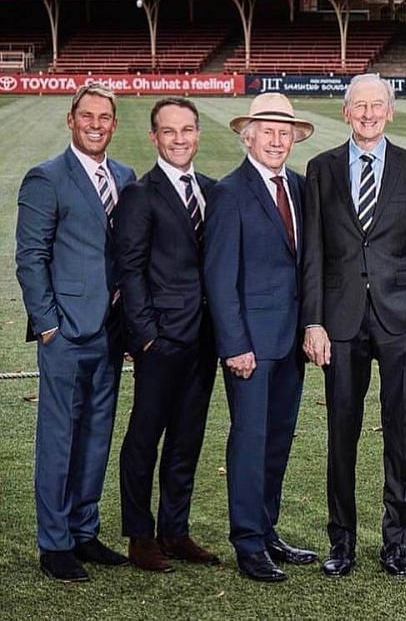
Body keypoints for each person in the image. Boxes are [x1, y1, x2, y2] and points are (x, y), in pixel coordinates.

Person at [302, 73, 406, 578]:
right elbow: (313, 257)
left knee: (403, 434)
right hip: (341, 323)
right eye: (359, 106)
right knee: (341, 435)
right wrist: (314, 322)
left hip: (400, 322)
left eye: (377, 105)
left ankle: (397, 540)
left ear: (390, 112)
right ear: (346, 112)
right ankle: (341, 543)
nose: (368, 114)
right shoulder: (321, 170)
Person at [15, 83, 135, 582]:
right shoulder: (46, 178)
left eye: (104, 117)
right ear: (71, 120)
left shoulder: (125, 177)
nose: (95, 124)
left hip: (111, 332)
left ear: (113, 123)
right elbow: (31, 257)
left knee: (96, 436)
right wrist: (47, 326)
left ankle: (85, 530)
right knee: (60, 436)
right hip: (65, 333)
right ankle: (55, 541)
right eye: (87, 115)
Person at [203, 93, 317, 582]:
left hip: (291, 343)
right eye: (266, 131)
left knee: (276, 440)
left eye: (283, 131)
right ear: (247, 136)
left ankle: (267, 530)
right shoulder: (230, 192)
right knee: (250, 441)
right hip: (250, 344)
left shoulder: (300, 186)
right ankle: (247, 542)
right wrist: (235, 345)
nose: (276, 139)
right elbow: (219, 277)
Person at [113, 97, 219, 572]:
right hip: (162, 340)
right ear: (154, 137)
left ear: (198, 134)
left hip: (205, 340)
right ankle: (140, 535)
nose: (180, 139)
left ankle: (174, 531)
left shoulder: (211, 191)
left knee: (187, 438)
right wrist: (146, 337)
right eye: (169, 131)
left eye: (188, 129)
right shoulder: (140, 194)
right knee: (144, 437)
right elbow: (129, 269)